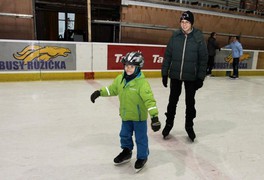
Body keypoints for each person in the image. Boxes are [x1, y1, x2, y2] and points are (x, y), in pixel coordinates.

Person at [90, 51, 161, 172]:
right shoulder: (120, 79)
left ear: (138, 68)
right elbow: (112, 89)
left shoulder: (142, 84)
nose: (128, 69)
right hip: (125, 116)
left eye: (132, 66)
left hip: (139, 118)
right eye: (127, 66)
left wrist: (154, 118)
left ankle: (142, 157)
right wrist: (99, 92)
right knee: (124, 135)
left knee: (141, 139)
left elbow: (150, 101)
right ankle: (127, 151)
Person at [161, 10, 208, 142]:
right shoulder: (175, 36)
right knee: (172, 102)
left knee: (190, 103)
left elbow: (203, 59)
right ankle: (169, 124)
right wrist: (164, 73)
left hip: (191, 77)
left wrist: (200, 77)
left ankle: (189, 126)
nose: (184, 25)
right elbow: (168, 55)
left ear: (191, 23)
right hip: (175, 74)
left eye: (187, 22)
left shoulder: (198, 38)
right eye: (182, 22)